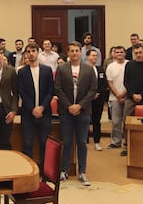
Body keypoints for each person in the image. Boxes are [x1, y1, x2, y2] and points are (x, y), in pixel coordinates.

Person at [54, 41, 97, 186]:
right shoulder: (61, 68)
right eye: (71, 51)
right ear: (67, 53)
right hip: (66, 111)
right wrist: (69, 106)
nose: (74, 53)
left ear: (81, 53)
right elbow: (58, 88)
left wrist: (79, 105)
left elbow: (92, 90)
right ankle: (64, 170)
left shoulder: (89, 69)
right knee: (66, 142)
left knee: (82, 142)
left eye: (77, 51)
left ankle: (82, 172)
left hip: (83, 111)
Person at [18, 43, 53, 171]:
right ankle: (29, 171)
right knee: (27, 143)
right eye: (28, 51)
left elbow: (50, 91)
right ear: (26, 54)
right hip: (28, 113)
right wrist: (33, 109)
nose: (31, 53)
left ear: (38, 52)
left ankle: (45, 172)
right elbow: (22, 92)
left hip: (44, 113)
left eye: (33, 51)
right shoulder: (22, 72)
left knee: (45, 143)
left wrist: (41, 108)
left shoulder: (47, 70)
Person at [121, 44, 143, 156]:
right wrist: (133, 94)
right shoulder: (129, 65)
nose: (138, 55)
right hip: (131, 98)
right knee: (126, 122)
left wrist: (141, 95)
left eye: (140, 52)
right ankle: (126, 146)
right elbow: (126, 82)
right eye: (136, 53)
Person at [106, 46, 128, 150]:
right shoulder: (110, 66)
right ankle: (116, 141)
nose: (119, 54)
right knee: (115, 121)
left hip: (128, 97)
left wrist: (123, 94)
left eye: (121, 52)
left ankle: (128, 143)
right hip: (114, 97)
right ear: (114, 53)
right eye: (117, 52)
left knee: (127, 121)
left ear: (125, 53)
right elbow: (109, 82)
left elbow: (131, 82)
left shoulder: (129, 64)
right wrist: (118, 95)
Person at [86, 49, 107, 151]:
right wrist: (90, 94)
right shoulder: (83, 69)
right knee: (85, 120)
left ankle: (97, 142)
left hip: (98, 99)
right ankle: (85, 142)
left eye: (96, 56)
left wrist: (97, 93)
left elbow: (104, 84)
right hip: (86, 99)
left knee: (96, 120)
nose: (95, 58)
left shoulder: (100, 69)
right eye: (93, 55)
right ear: (87, 57)